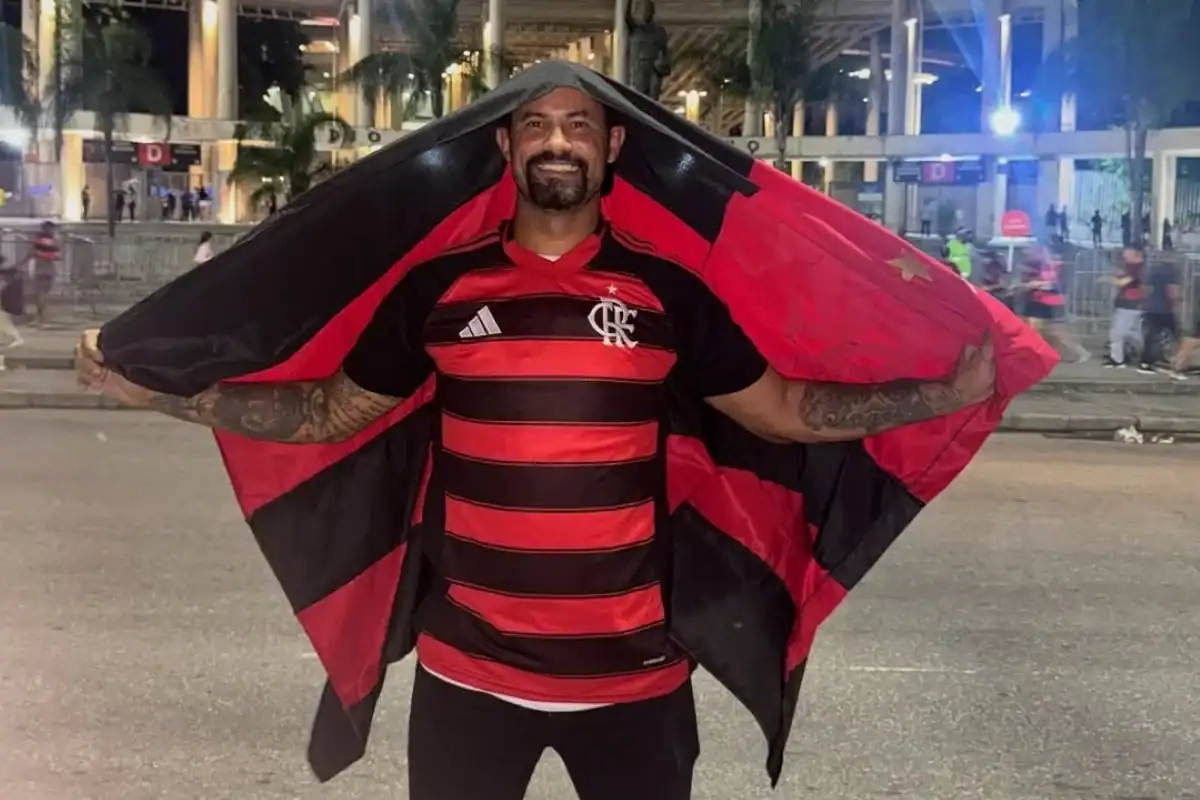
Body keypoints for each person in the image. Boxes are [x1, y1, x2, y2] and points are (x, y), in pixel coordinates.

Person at [76, 86, 997, 800]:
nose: (559, 141)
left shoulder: (668, 292)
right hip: (468, 677)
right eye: (537, 126)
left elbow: (783, 410)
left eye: (579, 126)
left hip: (634, 681)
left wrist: (939, 397)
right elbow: (327, 413)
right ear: (506, 149)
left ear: (613, 148)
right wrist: (165, 394)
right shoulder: (438, 290)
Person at [1139, 255, 1183, 376]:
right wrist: (1176, 304)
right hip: (1165, 309)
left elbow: (1145, 289)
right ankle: (1176, 361)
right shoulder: (1171, 273)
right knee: (1176, 335)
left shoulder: (1155, 271)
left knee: (1152, 335)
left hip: (1152, 307)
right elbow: (1172, 291)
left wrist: (1145, 302)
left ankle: (1148, 361)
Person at [1104, 247, 1145, 368]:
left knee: (1118, 333)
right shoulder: (1133, 268)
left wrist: (1107, 279)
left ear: (1136, 254)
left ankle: (1117, 360)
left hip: (1130, 304)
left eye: (1127, 255)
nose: (1124, 257)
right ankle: (1144, 355)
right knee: (1133, 332)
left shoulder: (1136, 269)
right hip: (1131, 304)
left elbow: (1123, 282)